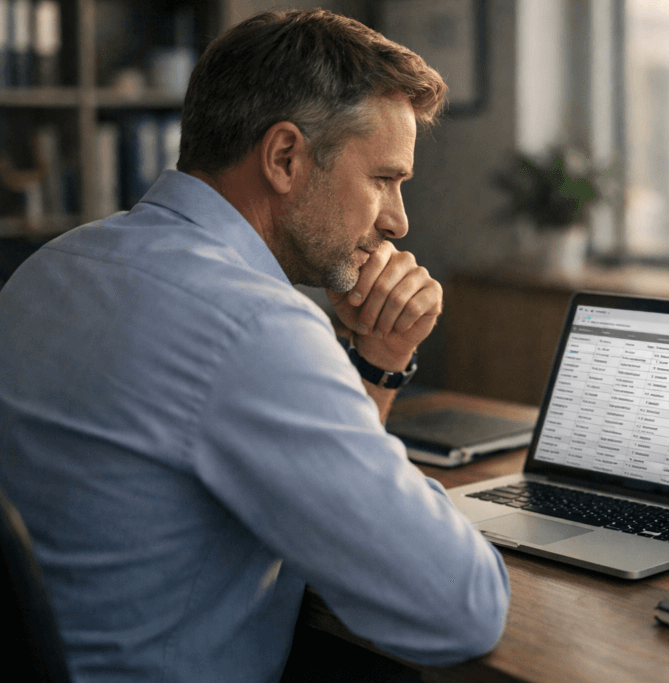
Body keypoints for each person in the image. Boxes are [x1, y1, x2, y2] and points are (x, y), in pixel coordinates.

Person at [0, 9, 509, 683]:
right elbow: (460, 606)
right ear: (285, 157)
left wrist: (376, 364)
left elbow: (312, 488)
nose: (398, 219)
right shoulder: (253, 325)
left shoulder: (51, 267)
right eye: (384, 179)